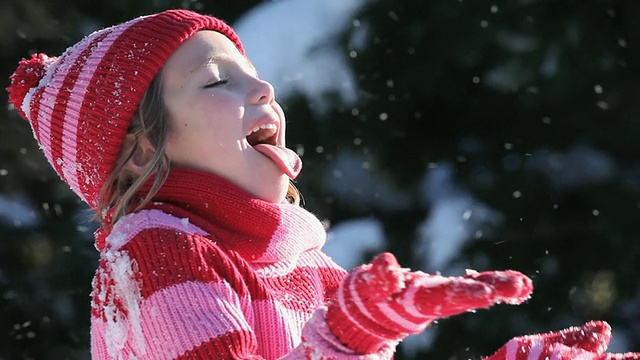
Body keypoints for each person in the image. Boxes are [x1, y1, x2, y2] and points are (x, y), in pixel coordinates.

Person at [6, 9, 639, 360]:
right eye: (216, 81)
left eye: (254, 74)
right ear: (142, 150)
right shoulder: (155, 255)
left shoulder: (296, 263)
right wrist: (350, 335)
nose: (263, 89)